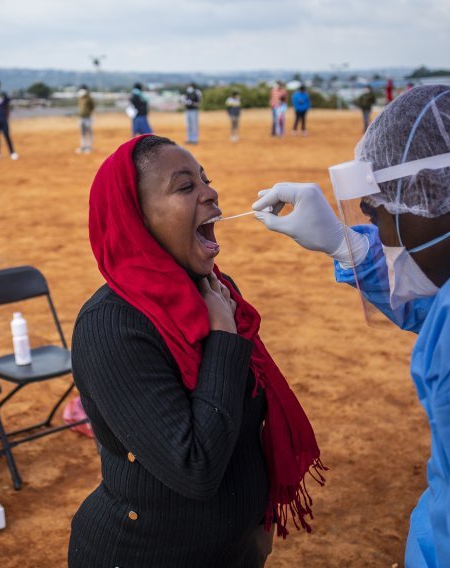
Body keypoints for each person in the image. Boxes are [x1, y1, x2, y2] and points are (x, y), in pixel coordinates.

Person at [252, 85, 450, 568]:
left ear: (430, 195)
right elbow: (435, 305)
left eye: (379, 213)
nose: (383, 235)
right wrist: (346, 245)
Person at [68, 134, 327, 567]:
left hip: (236, 546)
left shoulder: (216, 292)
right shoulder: (111, 326)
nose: (211, 193)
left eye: (206, 181)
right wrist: (223, 340)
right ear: (138, 219)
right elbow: (194, 467)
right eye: (185, 187)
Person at [76, 84, 95, 154]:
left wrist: (89, 113)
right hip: (81, 117)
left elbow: (92, 106)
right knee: (82, 133)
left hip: (88, 118)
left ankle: (89, 147)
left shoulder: (89, 97)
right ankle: (83, 147)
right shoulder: (79, 97)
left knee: (89, 133)